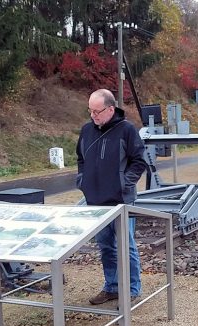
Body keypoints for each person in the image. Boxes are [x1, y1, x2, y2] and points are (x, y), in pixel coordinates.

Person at [76, 89, 148, 305]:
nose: (93, 116)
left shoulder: (127, 130)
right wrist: (82, 180)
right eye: (90, 111)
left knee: (127, 246)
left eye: (97, 111)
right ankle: (112, 287)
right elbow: (80, 158)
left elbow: (139, 161)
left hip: (121, 201)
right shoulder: (87, 130)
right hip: (96, 202)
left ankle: (133, 289)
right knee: (106, 247)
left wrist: (122, 184)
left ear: (110, 109)